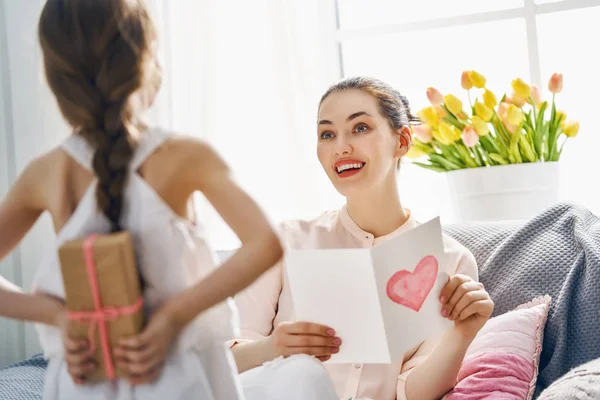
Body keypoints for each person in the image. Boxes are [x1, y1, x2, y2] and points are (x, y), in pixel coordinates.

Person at [0, 0, 286, 399]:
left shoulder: (46, 173)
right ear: (147, 60)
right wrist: (173, 316)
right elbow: (266, 242)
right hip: (180, 378)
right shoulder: (185, 157)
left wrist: (58, 316)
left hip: (83, 380)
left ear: (54, 75)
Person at [230, 76, 495, 400]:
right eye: (327, 134)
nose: (340, 146)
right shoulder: (285, 241)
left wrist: (464, 332)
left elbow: (412, 392)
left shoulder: (449, 260)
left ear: (402, 140)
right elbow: (221, 360)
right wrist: (272, 348)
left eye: (360, 128)